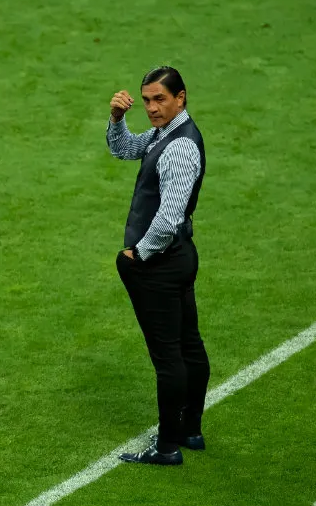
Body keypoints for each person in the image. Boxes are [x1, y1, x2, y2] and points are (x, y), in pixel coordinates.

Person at [107, 66, 211, 465]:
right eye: (147, 100)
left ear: (180, 97)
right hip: (178, 258)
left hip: (161, 263)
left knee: (169, 357)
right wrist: (117, 120)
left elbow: (169, 218)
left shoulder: (181, 146)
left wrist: (138, 255)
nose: (152, 107)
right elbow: (123, 149)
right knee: (188, 344)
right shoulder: (165, 132)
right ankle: (190, 430)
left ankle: (167, 446)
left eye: (160, 99)